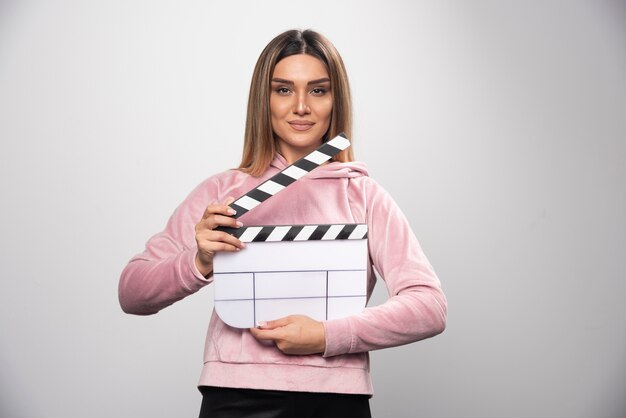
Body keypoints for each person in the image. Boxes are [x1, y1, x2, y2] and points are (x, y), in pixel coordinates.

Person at [119, 29, 447, 418]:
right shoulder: (223, 192)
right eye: (284, 90)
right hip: (235, 395)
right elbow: (132, 293)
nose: (302, 107)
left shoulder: (363, 195)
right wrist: (200, 260)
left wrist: (327, 335)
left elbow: (429, 306)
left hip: (335, 398)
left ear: (335, 102)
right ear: (264, 100)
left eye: (319, 91)